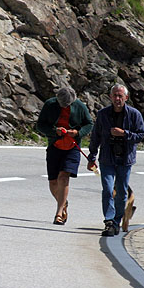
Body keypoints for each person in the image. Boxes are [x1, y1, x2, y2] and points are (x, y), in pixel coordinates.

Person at [87, 84, 144, 237]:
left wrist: (124, 134)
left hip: (125, 159)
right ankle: (109, 221)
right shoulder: (103, 114)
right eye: (115, 95)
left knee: (121, 192)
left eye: (120, 96)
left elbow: (140, 135)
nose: (117, 99)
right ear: (110, 97)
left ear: (126, 97)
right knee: (107, 189)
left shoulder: (134, 114)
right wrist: (92, 157)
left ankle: (117, 221)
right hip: (107, 158)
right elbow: (95, 137)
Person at [36, 86, 93, 225]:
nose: (66, 106)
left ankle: (59, 213)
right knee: (53, 182)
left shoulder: (79, 106)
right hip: (55, 146)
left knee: (63, 177)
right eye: (63, 104)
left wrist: (77, 133)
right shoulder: (50, 105)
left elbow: (89, 124)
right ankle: (63, 203)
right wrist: (55, 131)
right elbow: (40, 125)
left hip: (72, 147)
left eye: (68, 104)